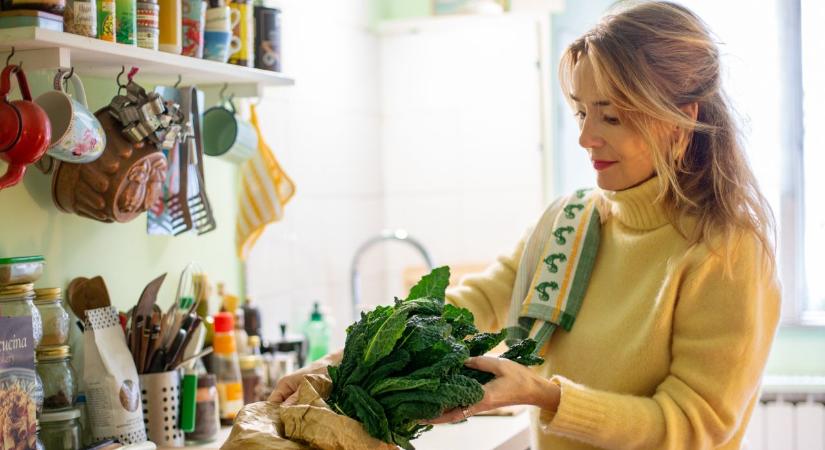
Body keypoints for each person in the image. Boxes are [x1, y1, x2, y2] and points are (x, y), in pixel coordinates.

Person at [271, 2, 781, 449]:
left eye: (611, 117)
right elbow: (470, 306)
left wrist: (543, 394)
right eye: (581, 112)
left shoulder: (725, 250)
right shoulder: (572, 220)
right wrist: (334, 369)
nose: (586, 138)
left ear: (680, 119)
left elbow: (692, 427)